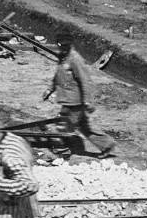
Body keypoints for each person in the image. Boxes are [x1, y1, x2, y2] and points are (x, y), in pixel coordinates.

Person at [41, 32, 116, 160]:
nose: (63, 47)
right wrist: (50, 90)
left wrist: (88, 100)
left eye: (66, 45)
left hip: (74, 102)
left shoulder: (75, 59)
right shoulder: (63, 57)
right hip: (67, 100)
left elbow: (85, 80)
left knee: (63, 127)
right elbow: (58, 75)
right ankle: (107, 144)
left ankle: (60, 153)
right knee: (84, 127)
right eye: (61, 45)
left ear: (70, 44)